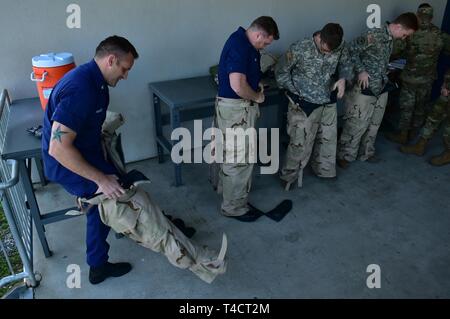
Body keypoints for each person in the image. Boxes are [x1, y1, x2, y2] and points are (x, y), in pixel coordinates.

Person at [42, 35, 139, 284]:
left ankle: (103, 255)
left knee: (116, 188)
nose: (125, 76)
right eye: (125, 69)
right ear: (111, 60)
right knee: (107, 196)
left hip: (85, 152)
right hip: (65, 162)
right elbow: (58, 149)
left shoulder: (97, 82)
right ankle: (98, 267)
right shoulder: (81, 88)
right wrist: (100, 180)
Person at [216, 16, 280, 221]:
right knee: (239, 160)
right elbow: (237, 85)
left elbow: (244, 77)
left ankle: (229, 195)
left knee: (233, 156)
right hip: (237, 109)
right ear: (259, 34)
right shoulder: (240, 46)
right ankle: (233, 207)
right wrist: (257, 96)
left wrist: (256, 83)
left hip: (237, 108)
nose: (265, 46)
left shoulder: (246, 44)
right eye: (266, 42)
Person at [275, 23, 352, 190]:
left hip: (327, 100)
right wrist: (296, 92)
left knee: (328, 139)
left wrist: (343, 78)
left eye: (332, 52)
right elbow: (280, 72)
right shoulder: (300, 47)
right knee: (299, 143)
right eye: (325, 50)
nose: (328, 53)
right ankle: (288, 176)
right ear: (320, 39)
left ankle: (324, 171)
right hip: (303, 103)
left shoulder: (341, 45)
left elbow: (346, 63)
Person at [337, 13, 418, 169]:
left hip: (380, 87)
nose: (403, 38)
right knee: (356, 123)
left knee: (374, 124)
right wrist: (360, 70)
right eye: (405, 34)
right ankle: (345, 155)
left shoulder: (390, 39)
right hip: (364, 88)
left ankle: (366, 152)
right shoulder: (374, 34)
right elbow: (349, 50)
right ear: (399, 26)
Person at [386, 3, 450, 145]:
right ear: (432, 17)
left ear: (418, 15)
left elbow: (395, 52)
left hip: (410, 78)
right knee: (421, 106)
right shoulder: (441, 35)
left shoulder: (411, 33)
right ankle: (415, 132)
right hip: (428, 79)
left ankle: (403, 134)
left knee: (406, 106)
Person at [399, 69, 450, 166]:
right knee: (433, 118)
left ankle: (448, 154)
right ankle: (420, 145)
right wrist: (445, 84)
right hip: (446, 91)